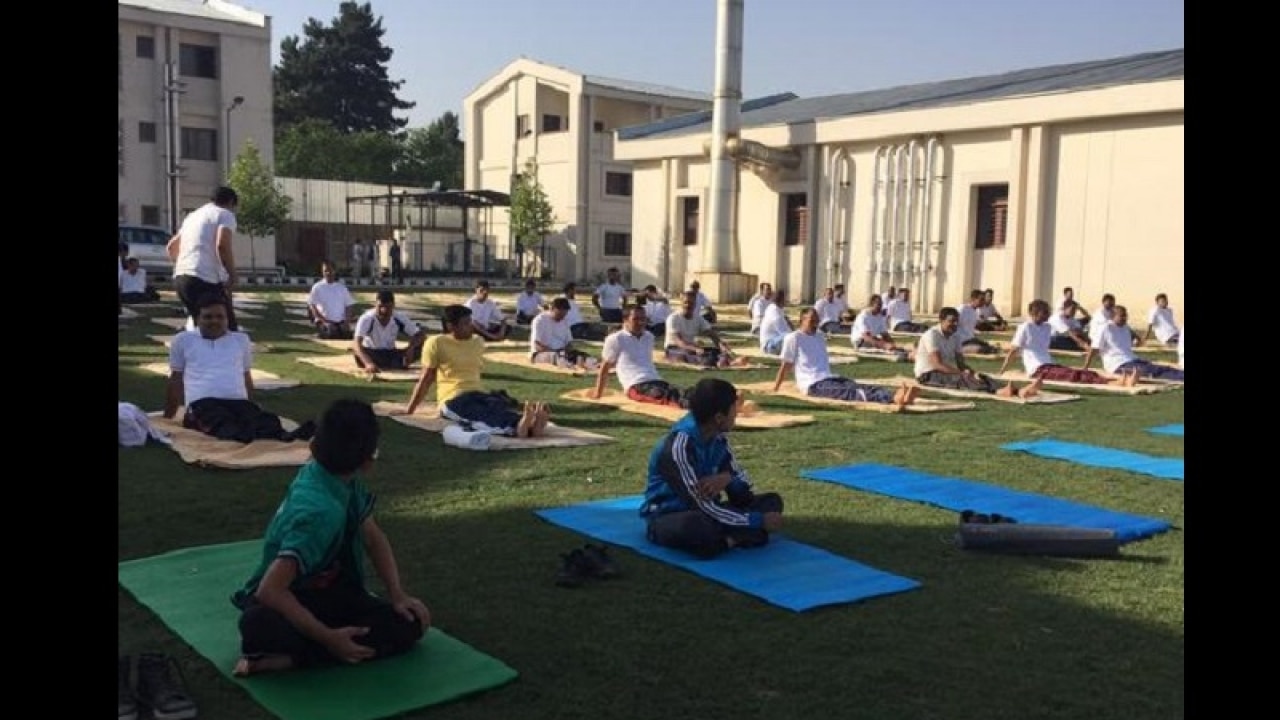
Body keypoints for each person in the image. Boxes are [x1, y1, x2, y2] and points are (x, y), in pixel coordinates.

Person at [229, 398, 430, 677]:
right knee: (258, 624)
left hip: (329, 591)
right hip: (284, 600)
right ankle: (305, 656)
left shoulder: (338, 479)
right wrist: (328, 638)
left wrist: (398, 594)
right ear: (368, 461)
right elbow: (270, 591)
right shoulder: (320, 514)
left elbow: (373, 538)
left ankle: (292, 657)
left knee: (411, 621)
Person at [640, 378, 784, 559]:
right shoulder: (678, 447)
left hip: (711, 510)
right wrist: (756, 521)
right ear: (719, 418)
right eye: (734, 411)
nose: (736, 416)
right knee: (697, 527)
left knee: (772, 501)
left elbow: (743, 492)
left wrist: (727, 477)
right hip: (672, 515)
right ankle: (733, 539)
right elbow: (699, 503)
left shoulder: (718, 439)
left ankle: (729, 538)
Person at [163, 293, 315, 442]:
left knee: (265, 420)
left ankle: (282, 435)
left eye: (220, 317)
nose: (214, 321)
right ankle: (246, 434)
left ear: (227, 319)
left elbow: (245, 375)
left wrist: (251, 404)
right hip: (202, 404)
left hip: (237, 401)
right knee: (220, 422)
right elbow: (175, 380)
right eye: (208, 317)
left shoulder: (240, 340)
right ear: (197, 319)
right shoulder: (183, 341)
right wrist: (168, 417)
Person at [403, 305, 551, 436]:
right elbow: (426, 379)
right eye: (466, 324)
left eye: (470, 322)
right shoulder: (436, 343)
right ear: (450, 326)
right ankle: (519, 427)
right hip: (452, 399)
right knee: (478, 415)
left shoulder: (477, 342)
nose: (471, 326)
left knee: (496, 407)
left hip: (477, 393)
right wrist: (410, 409)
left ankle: (527, 424)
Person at [776, 308, 918, 407]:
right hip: (813, 384)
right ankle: (892, 398)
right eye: (812, 320)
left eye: (816, 320)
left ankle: (894, 394)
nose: (815, 324)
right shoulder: (793, 338)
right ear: (802, 320)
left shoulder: (819, 336)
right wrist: (776, 387)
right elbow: (786, 365)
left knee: (857, 385)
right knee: (848, 393)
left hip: (829, 376)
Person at [997, 300, 1136, 386]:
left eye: (1048, 312)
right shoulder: (1025, 327)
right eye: (1044, 313)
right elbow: (1013, 351)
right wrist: (1002, 371)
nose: (1047, 315)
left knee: (1074, 371)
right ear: (1034, 313)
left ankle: (1111, 381)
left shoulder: (1047, 327)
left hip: (1049, 364)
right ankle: (1113, 383)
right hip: (1037, 370)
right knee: (1072, 376)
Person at [914, 307, 1042, 399]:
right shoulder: (932, 335)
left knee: (980, 376)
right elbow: (937, 364)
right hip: (928, 374)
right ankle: (998, 392)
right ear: (941, 321)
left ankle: (1018, 391)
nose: (954, 324)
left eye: (956, 321)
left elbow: (960, 362)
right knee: (961, 379)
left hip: (945, 371)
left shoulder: (955, 336)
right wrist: (962, 373)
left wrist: (972, 372)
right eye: (951, 321)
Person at [167, 185, 240, 331]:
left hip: (181, 278)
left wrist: (185, 265)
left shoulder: (193, 216)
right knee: (226, 329)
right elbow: (222, 245)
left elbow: (171, 247)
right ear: (231, 202)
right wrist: (232, 274)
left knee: (202, 328)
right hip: (204, 279)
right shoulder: (225, 214)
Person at [593, 305, 691, 407]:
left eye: (643, 319)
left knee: (681, 392)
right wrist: (598, 393)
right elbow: (605, 367)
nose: (641, 322)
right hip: (636, 385)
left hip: (655, 380)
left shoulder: (649, 337)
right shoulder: (616, 339)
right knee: (670, 398)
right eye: (636, 319)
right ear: (625, 320)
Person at [1082, 305, 1185, 381]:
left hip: (1133, 359)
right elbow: (1094, 349)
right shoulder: (1105, 328)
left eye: (1125, 315)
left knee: (1162, 368)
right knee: (1153, 372)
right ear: (1113, 316)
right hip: (1117, 365)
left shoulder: (1126, 328)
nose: (1125, 318)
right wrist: (1085, 368)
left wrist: (1138, 341)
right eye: (1121, 316)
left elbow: (1135, 341)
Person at [351, 290, 428, 375]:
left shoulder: (398, 317)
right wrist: (368, 363)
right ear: (375, 304)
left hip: (391, 353)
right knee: (357, 353)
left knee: (424, 345)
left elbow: (420, 335)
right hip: (372, 353)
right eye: (380, 307)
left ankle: (399, 362)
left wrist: (411, 348)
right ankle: (398, 363)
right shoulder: (367, 318)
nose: (383, 310)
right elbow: (356, 344)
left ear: (393, 306)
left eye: (387, 307)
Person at [664, 291, 745, 368]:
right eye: (686, 302)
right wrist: (695, 348)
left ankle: (727, 361)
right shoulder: (673, 318)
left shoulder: (698, 318)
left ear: (695, 304)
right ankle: (723, 363)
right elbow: (679, 342)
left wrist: (721, 345)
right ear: (681, 303)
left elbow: (711, 334)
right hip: (674, 349)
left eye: (691, 303)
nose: (688, 305)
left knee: (714, 351)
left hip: (691, 348)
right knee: (695, 355)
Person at [530, 297, 597, 370]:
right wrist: (556, 352)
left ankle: (591, 365)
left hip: (561, 352)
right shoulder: (540, 320)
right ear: (552, 309)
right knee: (557, 357)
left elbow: (569, 342)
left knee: (582, 356)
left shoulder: (564, 321)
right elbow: (537, 345)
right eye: (559, 314)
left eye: (564, 315)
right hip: (542, 353)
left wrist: (568, 351)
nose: (561, 318)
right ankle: (568, 366)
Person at [849, 294, 909, 360]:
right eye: (879, 304)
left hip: (872, 339)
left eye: (881, 304)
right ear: (872, 304)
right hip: (860, 341)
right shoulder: (863, 316)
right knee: (884, 345)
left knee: (892, 346)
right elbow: (866, 337)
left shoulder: (879, 317)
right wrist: (884, 345)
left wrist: (893, 344)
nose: (881, 306)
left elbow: (885, 335)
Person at [307, 260, 357, 339]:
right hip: (324, 322)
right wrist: (324, 322)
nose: (328, 273)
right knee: (332, 334)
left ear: (334, 271)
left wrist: (347, 322)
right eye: (325, 271)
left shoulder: (342, 288)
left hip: (340, 322)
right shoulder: (317, 287)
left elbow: (349, 306)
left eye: (330, 271)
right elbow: (312, 306)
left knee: (348, 335)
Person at [956, 289, 999, 355]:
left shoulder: (975, 312)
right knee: (984, 350)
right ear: (973, 299)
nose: (983, 302)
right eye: (981, 299)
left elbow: (976, 325)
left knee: (990, 347)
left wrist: (993, 327)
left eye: (983, 300)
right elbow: (953, 323)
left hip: (970, 339)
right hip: (961, 341)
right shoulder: (962, 308)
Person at [758, 288, 793, 355]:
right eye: (786, 299)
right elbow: (784, 331)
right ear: (782, 300)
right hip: (769, 345)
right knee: (792, 338)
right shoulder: (774, 312)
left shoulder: (777, 309)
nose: (787, 301)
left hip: (774, 340)